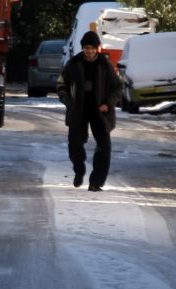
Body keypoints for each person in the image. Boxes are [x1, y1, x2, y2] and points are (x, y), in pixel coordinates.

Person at [57, 31, 123, 191]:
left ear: (97, 48)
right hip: (78, 110)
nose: (90, 51)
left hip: (100, 111)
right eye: (87, 48)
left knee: (104, 147)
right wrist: (70, 103)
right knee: (75, 145)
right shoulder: (73, 64)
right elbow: (61, 85)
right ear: (83, 48)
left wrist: (108, 103)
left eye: (93, 48)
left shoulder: (104, 65)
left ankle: (96, 183)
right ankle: (79, 170)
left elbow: (117, 87)